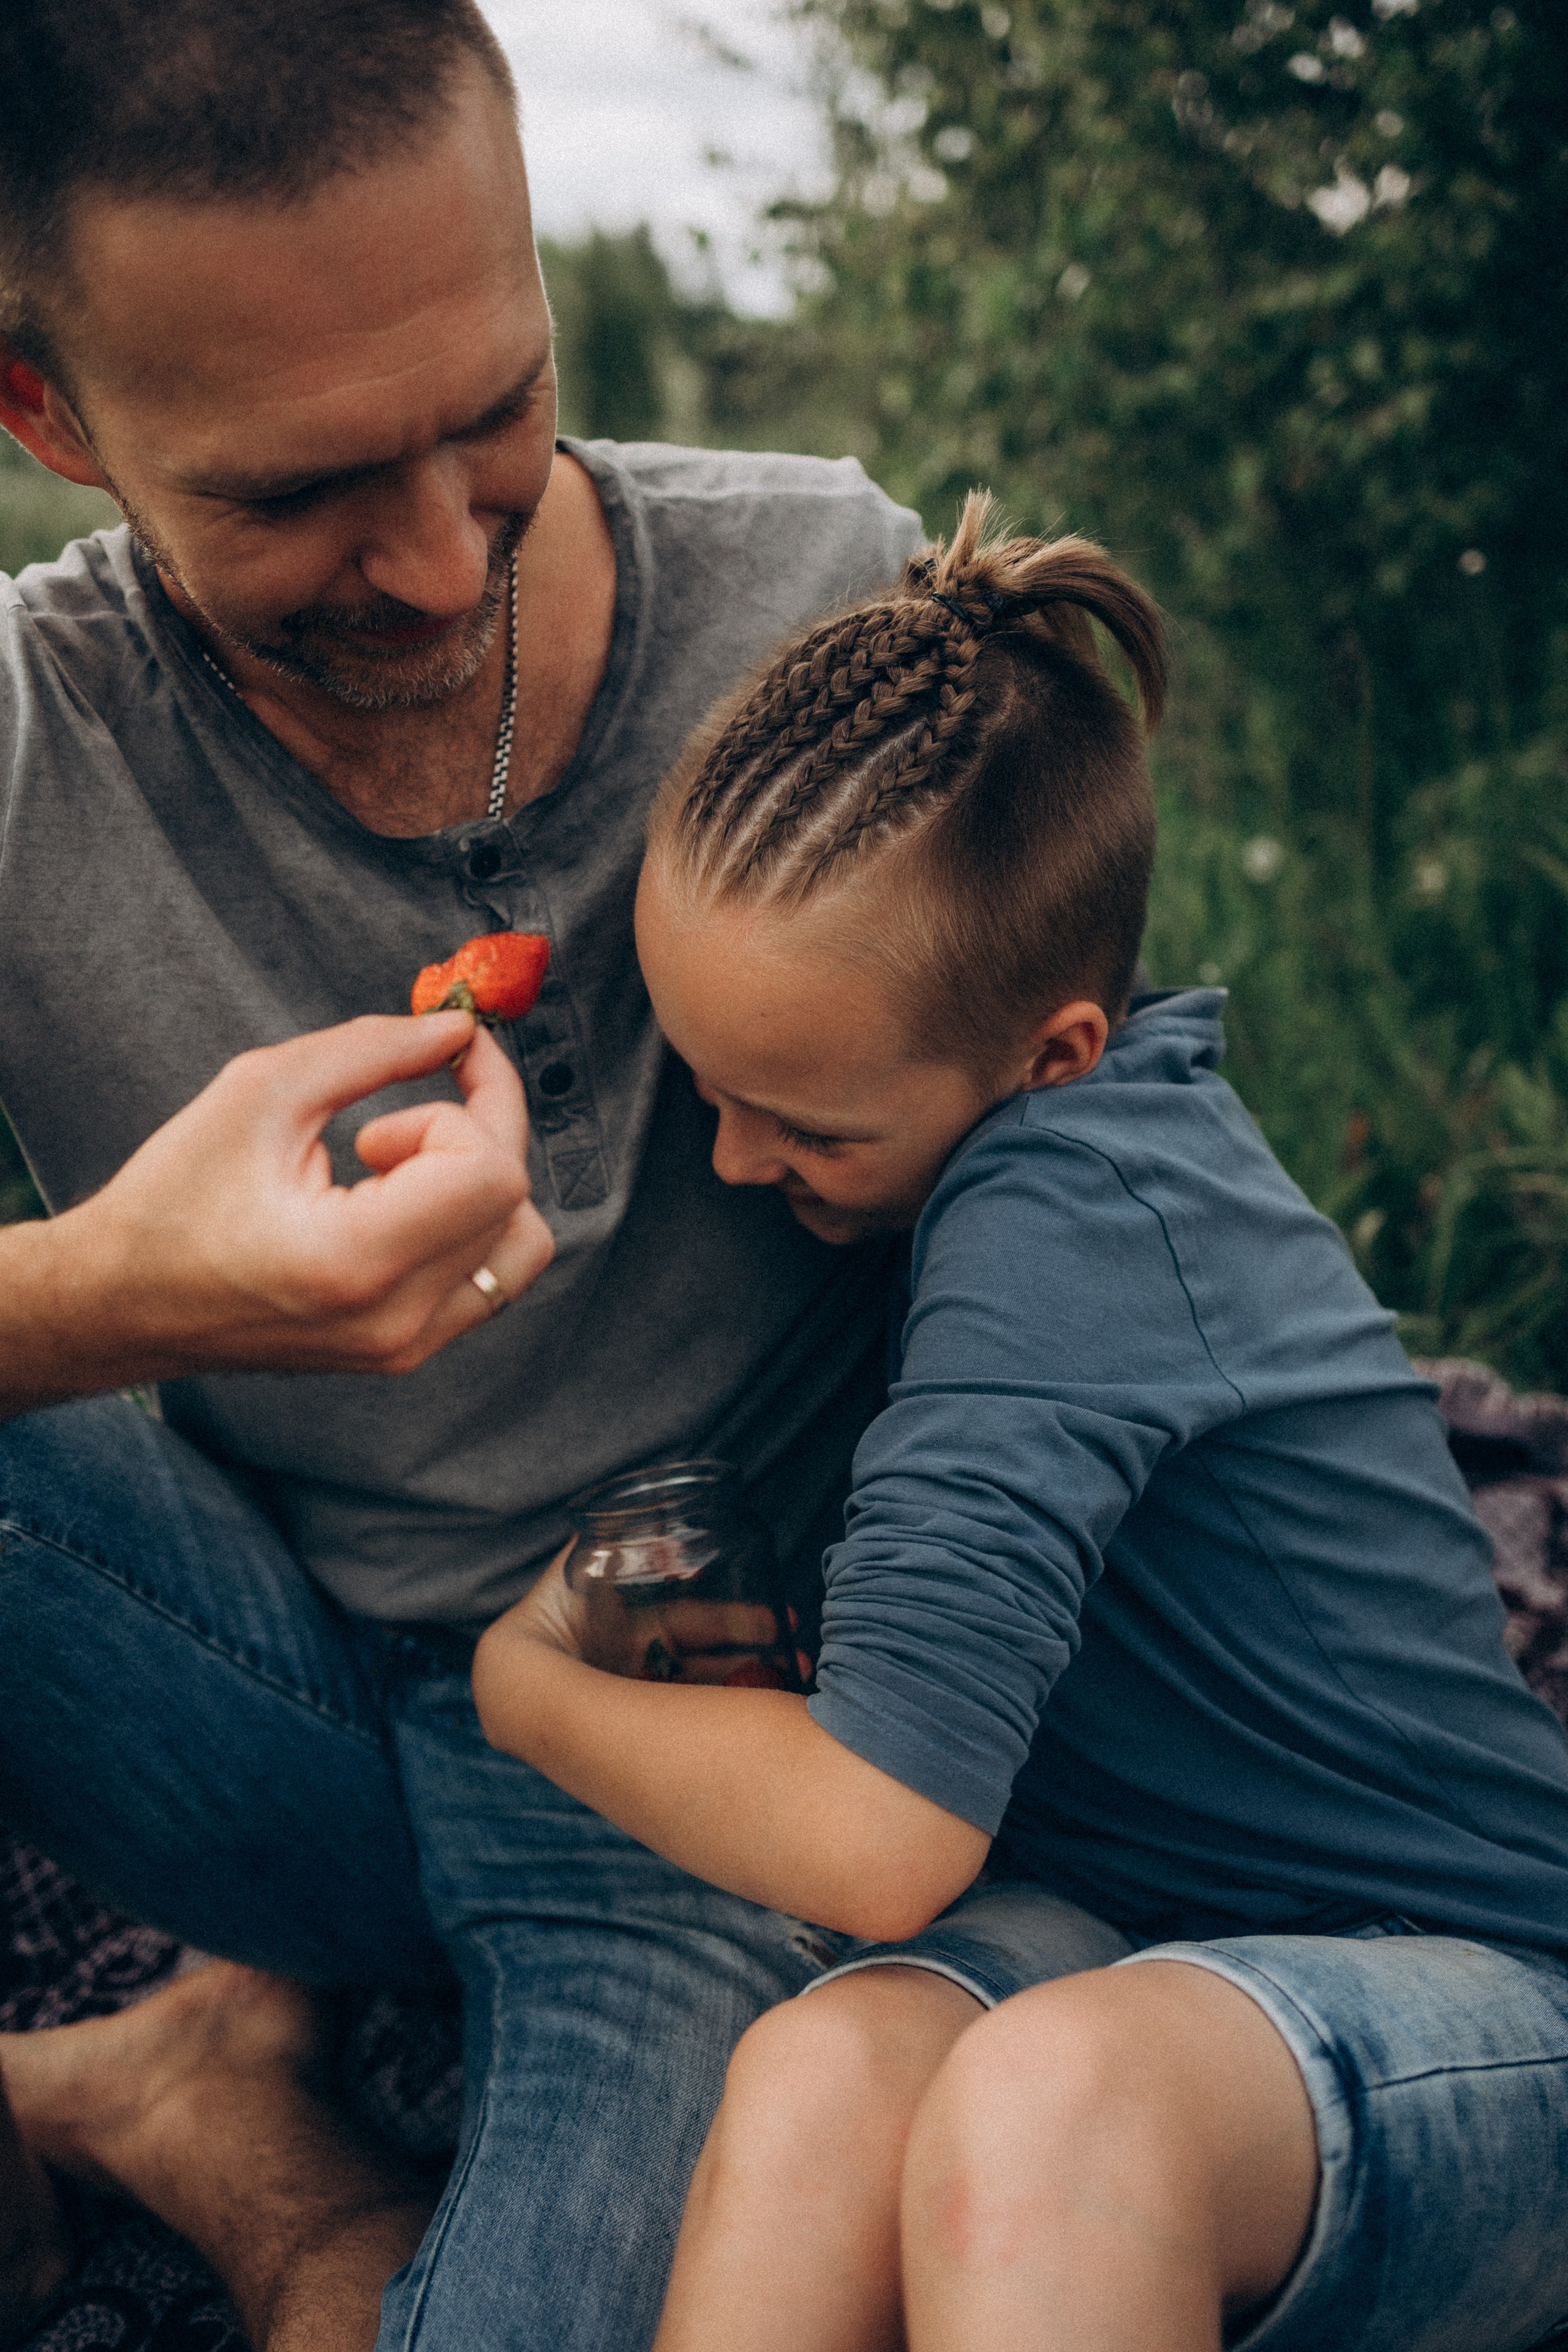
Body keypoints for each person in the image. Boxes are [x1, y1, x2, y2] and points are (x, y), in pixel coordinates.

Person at [0, 2, 924, 2346]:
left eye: (495, 409)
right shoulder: (25, 752)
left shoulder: (828, 602)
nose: (430, 563)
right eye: (293, 491)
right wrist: (113, 1289)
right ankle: (245, 2053)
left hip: (734, 1746)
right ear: (44, 414)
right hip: (291, 1716)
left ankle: (242, 2123)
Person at [473, 498, 1568, 2352]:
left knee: (1052, 2105)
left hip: (1474, 1986)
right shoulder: (1009, 1146)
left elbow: (882, 1841)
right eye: (711, 1093)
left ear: (1053, 1052)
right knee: (823, 2077)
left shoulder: (1074, 1209)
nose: (736, 1164)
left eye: (807, 1124)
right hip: (1138, 1922)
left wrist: (529, 1686)